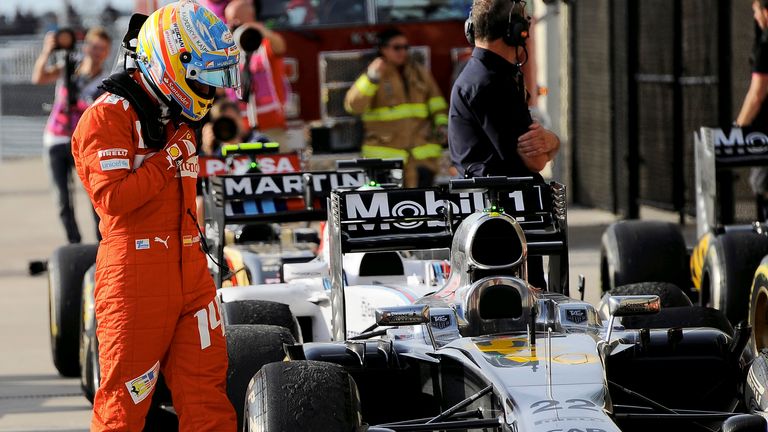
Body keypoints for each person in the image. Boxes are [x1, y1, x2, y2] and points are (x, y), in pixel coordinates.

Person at [70, 1, 241, 430]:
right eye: (204, 77)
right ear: (173, 63)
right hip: (134, 282)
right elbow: (112, 199)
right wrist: (167, 161)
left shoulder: (173, 115)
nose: (211, 91)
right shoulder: (107, 116)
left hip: (192, 277)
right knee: (122, 412)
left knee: (209, 401)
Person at [448, 0, 559, 288]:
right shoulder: (491, 83)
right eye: (524, 22)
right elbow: (534, 160)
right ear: (514, 31)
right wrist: (554, 142)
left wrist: (549, 142)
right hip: (503, 225)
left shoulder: (485, 76)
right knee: (519, 306)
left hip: (496, 219)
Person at [32, 27, 111, 244]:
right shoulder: (69, 69)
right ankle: (74, 245)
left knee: (95, 196)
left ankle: (100, 244)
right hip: (55, 138)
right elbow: (38, 77)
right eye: (93, 46)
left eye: (102, 49)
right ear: (86, 47)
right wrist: (48, 50)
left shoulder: (105, 82)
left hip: (83, 143)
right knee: (62, 200)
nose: (96, 52)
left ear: (107, 52)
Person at [345, 27, 449, 188]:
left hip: (422, 159)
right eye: (396, 47)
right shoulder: (373, 75)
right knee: (391, 210)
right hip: (385, 160)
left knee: (421, 208)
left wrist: (442, 125)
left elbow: (437, 105)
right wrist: (372, 78)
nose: (402, 52)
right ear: (383, 49)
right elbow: (353, 106)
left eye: (405, 47)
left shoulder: (419, 73)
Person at [225, 0, 291, 145]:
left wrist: (258, 31)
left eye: (237, 19)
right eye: (229, 21)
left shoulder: (266, 44)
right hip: (240, 132)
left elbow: (280, 46)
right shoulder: (228, 52)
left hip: (273, 128)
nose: (233, 24)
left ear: (251, 16)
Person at [738, 0, 768, 220]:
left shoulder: (765, 46)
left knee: (763, 186)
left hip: (765, 135)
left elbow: (757, 93)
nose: (756, 17)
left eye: (756, 11)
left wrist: (739, 127)